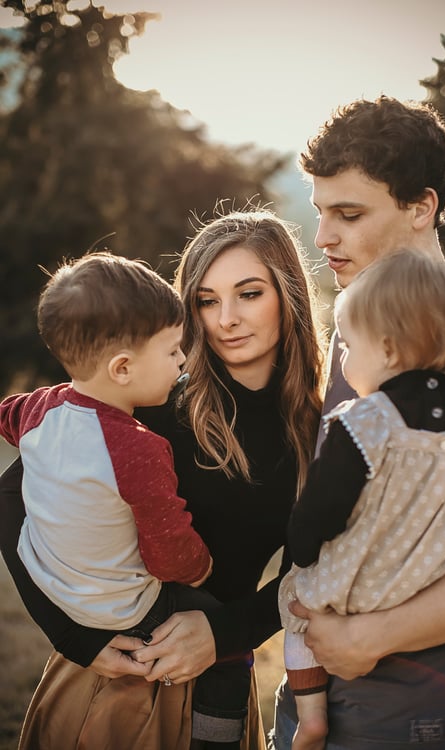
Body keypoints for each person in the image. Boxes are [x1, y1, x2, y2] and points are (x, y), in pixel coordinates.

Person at [0, 208, 326, 750]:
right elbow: (12, 498)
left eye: (249, 294)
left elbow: (311, 578)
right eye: (206, 299)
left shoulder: (318, 428)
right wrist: (73, 636)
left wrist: (224, 634)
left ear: (287, 294)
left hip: (222, 680)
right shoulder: (150, 404)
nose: (226, 319)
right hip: (116, 677)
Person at [272, 95, 445, 750]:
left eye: (349, 214)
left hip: (428, 704)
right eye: (319, 213)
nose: (323, 238)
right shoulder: (357, 330)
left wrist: (371, 637)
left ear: (421, 207)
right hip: (324, 701)